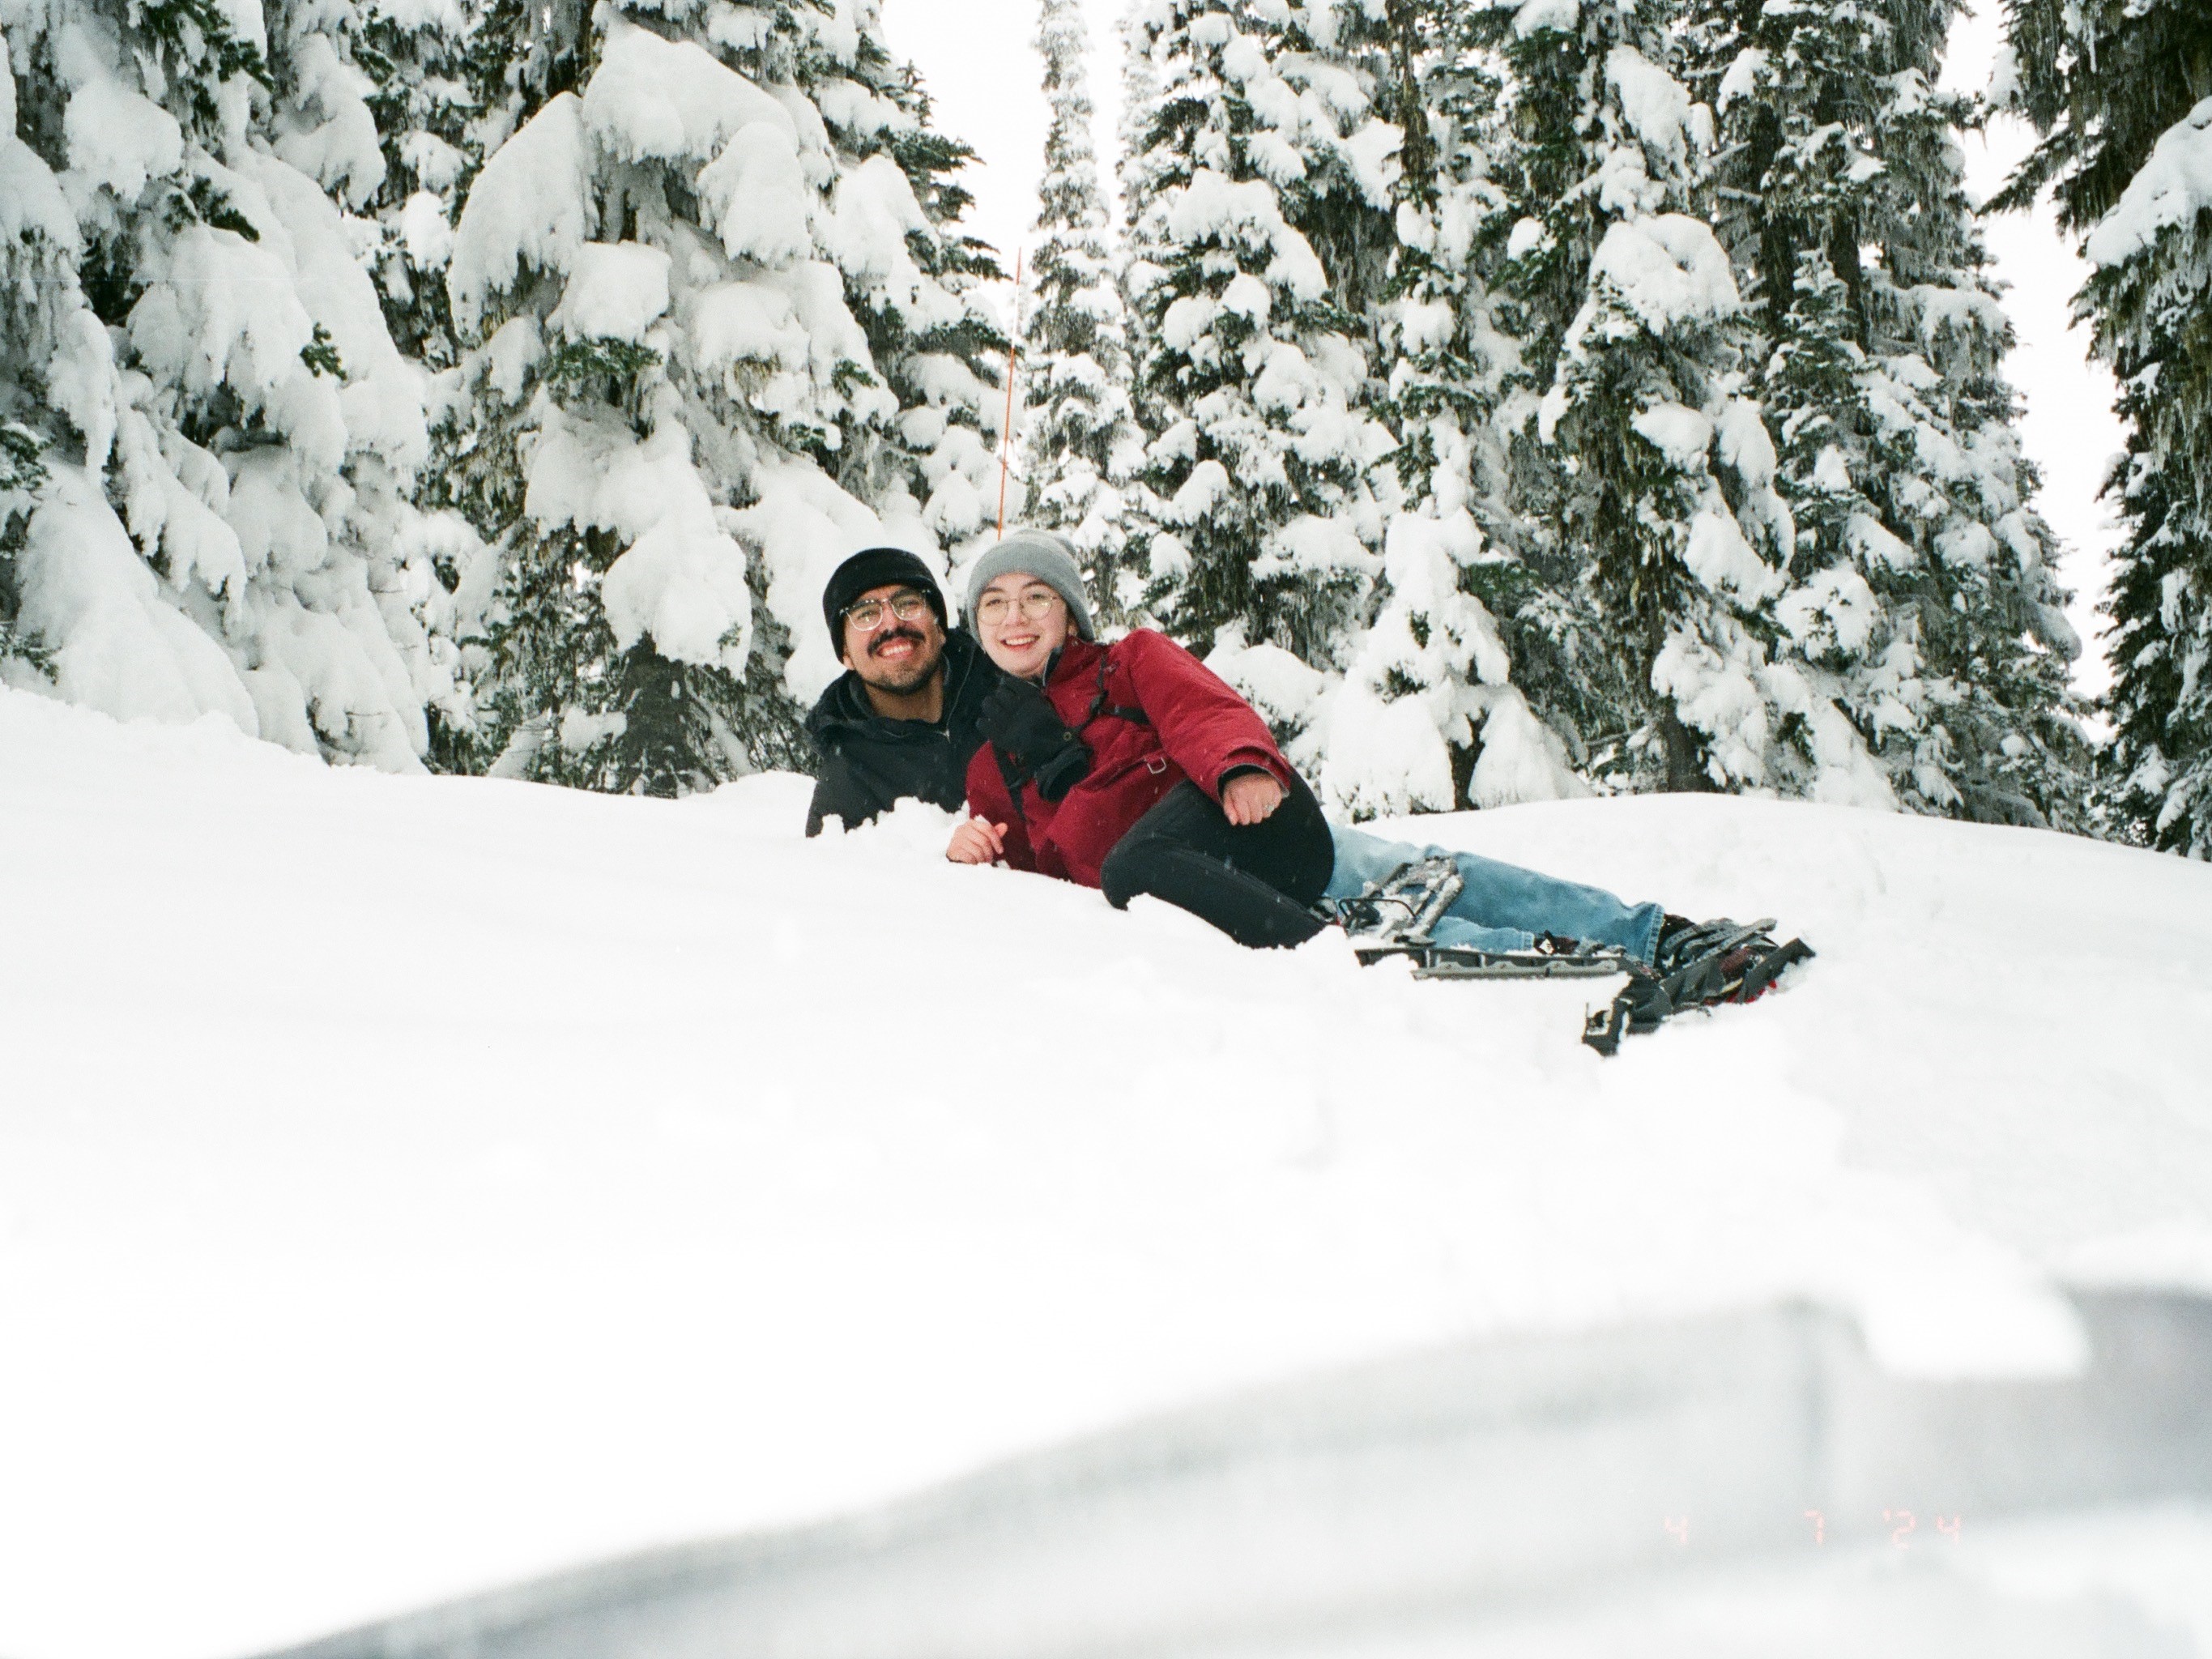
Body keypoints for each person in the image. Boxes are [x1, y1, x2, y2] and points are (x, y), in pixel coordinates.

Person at [944, 529, 1669, 962]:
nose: (1017, 617)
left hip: (1250, 829)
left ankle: (1642, 936)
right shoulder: (990, 765)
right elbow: (1039, 879)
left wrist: (1239, 769)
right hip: (1207, 904)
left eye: (1036, 596)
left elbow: (1204, 711)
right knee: (1401, 933)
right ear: (976, 624)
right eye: (995, 603)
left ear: (1068, 613)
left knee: (1416, 879)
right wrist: (977, 856)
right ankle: (1551, 963)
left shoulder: (1126, 660)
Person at [804, 547, 1003, 837]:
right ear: (845, 653)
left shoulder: (1004, 686)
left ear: (940, 627)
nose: (892, 624)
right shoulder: (847, 780)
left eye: (908, 604)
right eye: (866, 614)